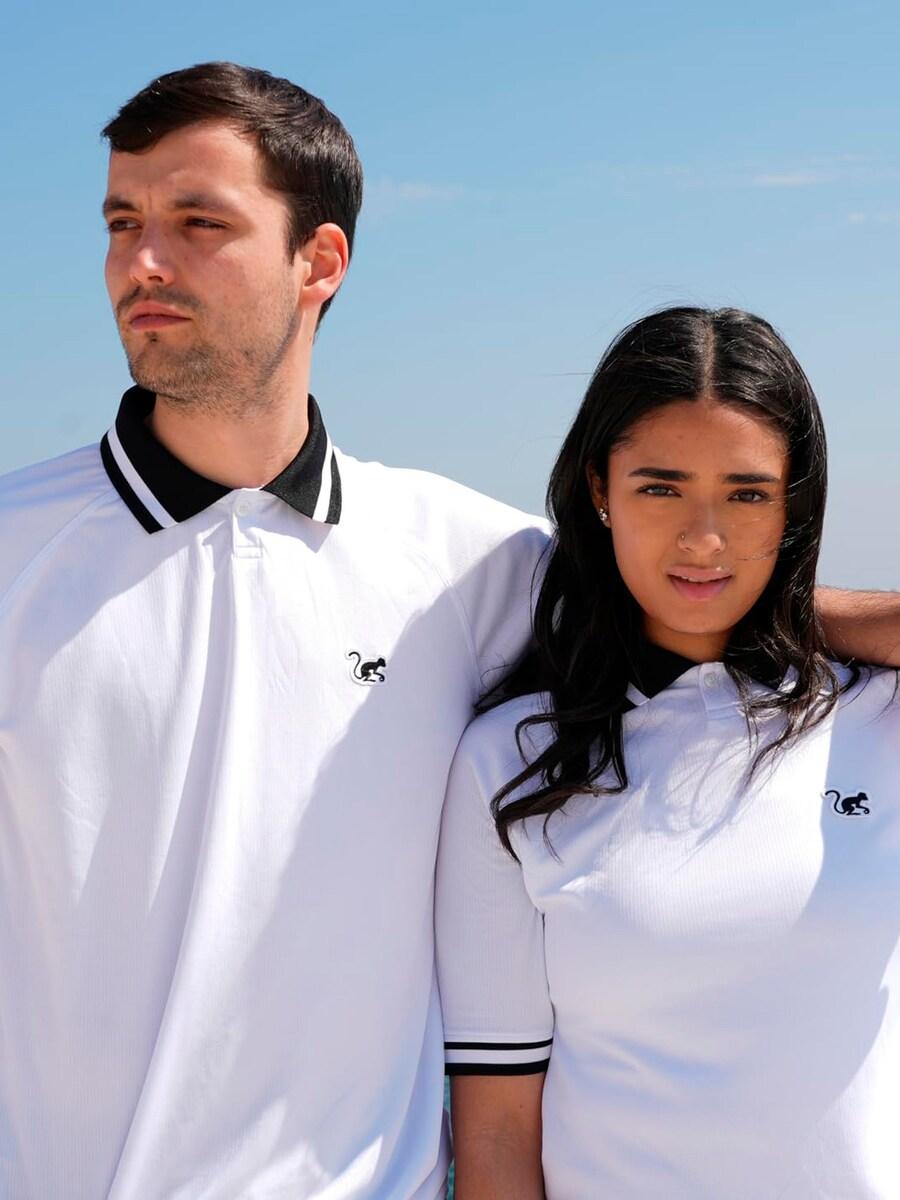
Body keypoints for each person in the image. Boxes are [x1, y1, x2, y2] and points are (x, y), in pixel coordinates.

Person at [0, 66, 895, 1200]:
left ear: (320, 261)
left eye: (198, 223)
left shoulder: (465, 560)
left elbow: (676, 588)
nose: (143, 262)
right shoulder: (16, 551)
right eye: (122, 223)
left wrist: (794, 610)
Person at [435, 306, 900, 1200]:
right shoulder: (516, 762)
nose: (703, 539)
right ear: (599, 489)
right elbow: (496, 1133)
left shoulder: (877, 714)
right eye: (660, 488)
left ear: (795, 506)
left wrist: (790, 611)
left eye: (748, 494)